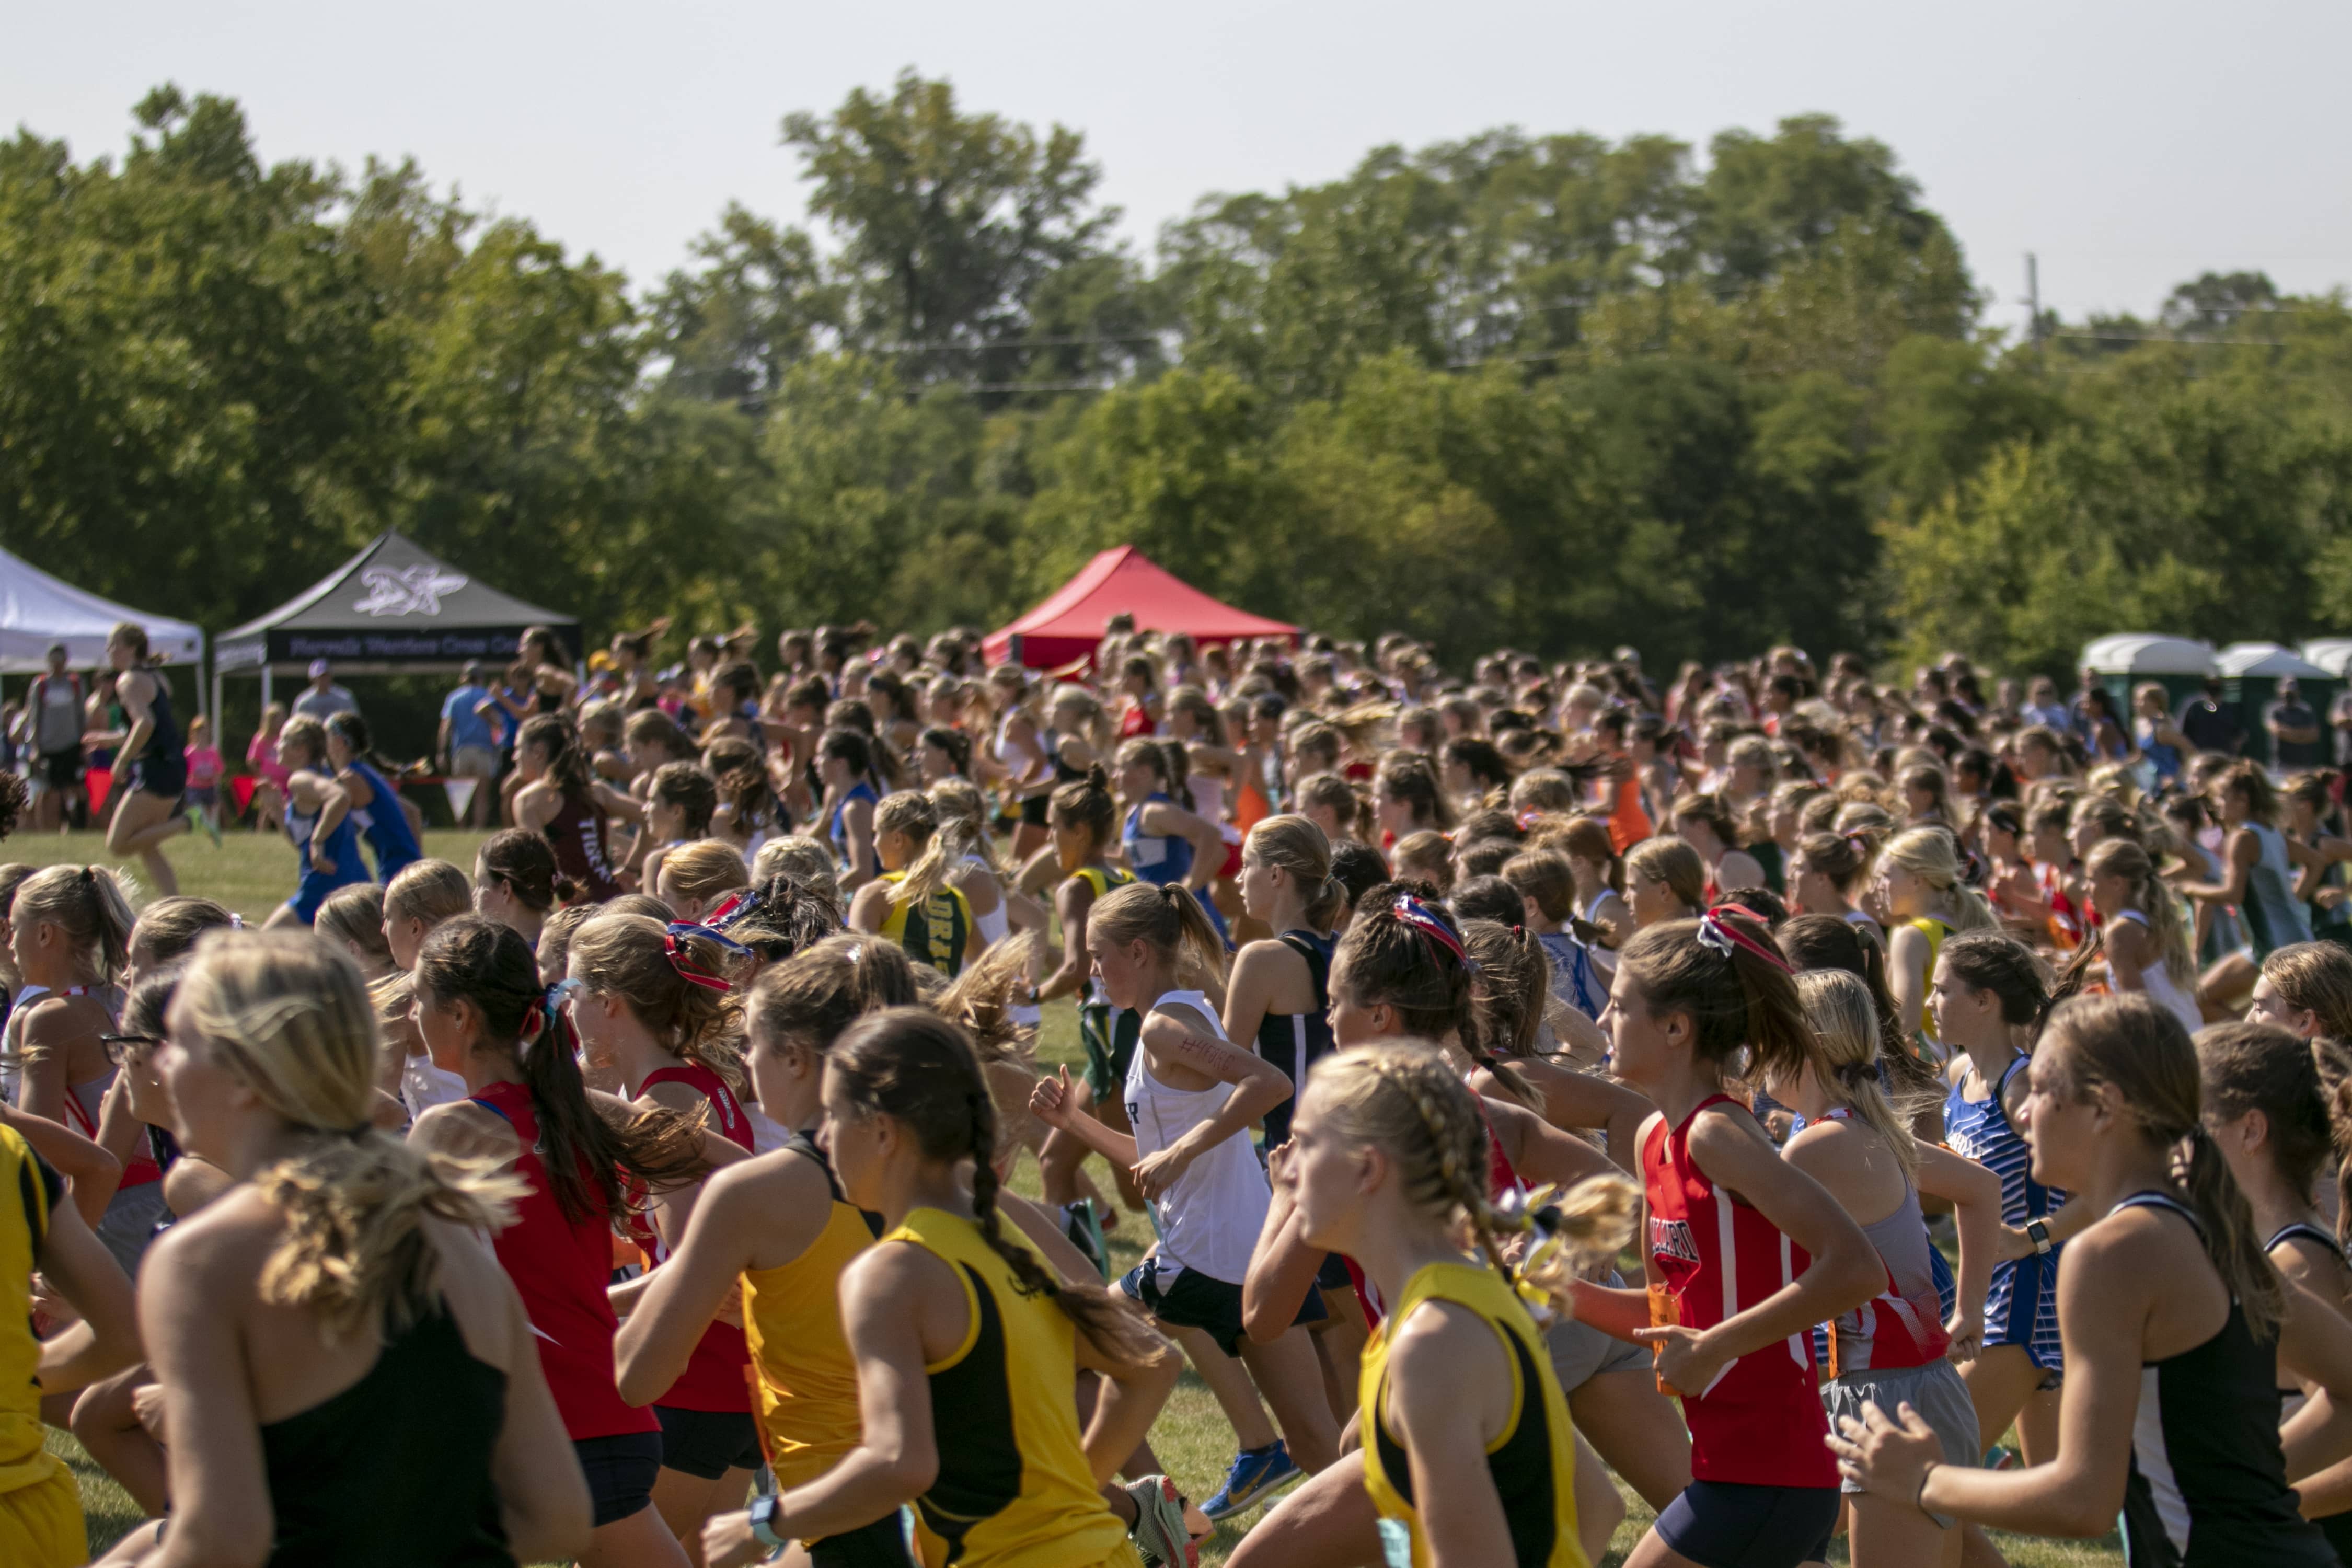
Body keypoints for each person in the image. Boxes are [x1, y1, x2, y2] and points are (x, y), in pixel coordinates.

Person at [102, 930, 589, 1568]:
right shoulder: (454, 1245)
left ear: (249, 1073)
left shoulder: (205, 1260)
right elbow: (559, 1517)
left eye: (184, 1043)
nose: (164, 1064)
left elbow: (219, 1537)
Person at [1832, 993, 2352, 1568]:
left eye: (2044, 1089)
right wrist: (2251, 1481)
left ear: (2106, 1108)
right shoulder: (2206, 1227)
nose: (2024, 1112)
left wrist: (1925, 1480)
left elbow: (2083, 1501)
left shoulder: (2114, 1253)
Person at [734, 1007, 1180, 1568]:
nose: (822, 1139)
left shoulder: (892, 1272)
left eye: (833, 1116)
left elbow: (900, 1463)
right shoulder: (1002, 1235)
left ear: (882, 1131)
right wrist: (1074, 1491)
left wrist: (763, 1522)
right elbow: (1154, 1363)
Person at [1564, 906, 1881, 1568]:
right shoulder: (1655, 1139)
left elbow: (1856, 1267)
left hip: (1774, 1471)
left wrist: (1712, 1349)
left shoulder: (1718, 1135)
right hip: (1727, 1464)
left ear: (1677, 1027)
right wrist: (1560, 1291)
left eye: (1619, 1006)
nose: (1600, 1022)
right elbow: (1667, 1320)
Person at [407, 916, 714, 1568]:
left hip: (554, 1425)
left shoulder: (449, 1133)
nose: (412, 1015)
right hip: (600, 1419)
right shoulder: (576, 1108)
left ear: (460, 1015)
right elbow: (741, 1165)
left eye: (418, 999)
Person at [1030, 880, 1340, 1519]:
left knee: (1064, 1356)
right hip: (1250, 1253)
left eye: (1098, 955)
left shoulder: (1167, 1028)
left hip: (1201, 1256)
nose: (1091, 971)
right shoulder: (1169, 1022)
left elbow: (1271, 1082)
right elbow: (1152, 1161)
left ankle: (1163, 1520)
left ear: (1139, 952)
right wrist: (1076, 1125)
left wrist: (1185, 1149)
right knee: (1316, 1442)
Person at [1276, 1041, 1636, 1568]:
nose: (1286, 1174)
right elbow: (1596, 1505)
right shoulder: (1430, 1313)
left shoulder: (1436, 1342)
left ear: (1367, 1170)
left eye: (1305, 1145)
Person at [624, 940, 919, 1568]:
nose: (745, 1066)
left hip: (838, 1506)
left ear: (794, 1058)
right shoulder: (933, 1175)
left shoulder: (757, 1197)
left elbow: (638, 1376)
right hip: (912, 1511)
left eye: (751, 1046)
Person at [1771, 969, 2000, 1568]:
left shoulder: (1816, 1146)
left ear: (1810, 1045)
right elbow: (1981, 1189)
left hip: (1887, 1398)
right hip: (1904, 1392)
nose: (1757, 1049)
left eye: (1770, 1031)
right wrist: (1968, 1309)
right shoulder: (1863, 1131)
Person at [567, 912, 764, 1558]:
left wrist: (593, 1307)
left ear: (610, 1003)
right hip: (728, 1389)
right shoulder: (696, 1083)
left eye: (571, 997)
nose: (567, 1014)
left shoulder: (664, 1107)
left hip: (692, 1387)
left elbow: (695, 1271)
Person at [2197, 1021, 2352, 1559]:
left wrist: (2244, 1501)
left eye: (2192, 1118)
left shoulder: (2300, 1265)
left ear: (2250, 1131)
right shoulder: (2266, 1252)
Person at [1931, 931, 2069, 1477]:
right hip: (1990, 1290)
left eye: (1942, 991)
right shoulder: (1960, 1074)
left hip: (2029, 1298)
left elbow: (2103, 1190)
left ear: (1985, 1001)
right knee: (2053, 1485)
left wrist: (2030, 1237)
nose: (1930, 1003)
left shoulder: (2021, 1089)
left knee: (1934, 1471)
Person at [5, 864, 152, 1270]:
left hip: (112, 1211)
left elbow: (39, 1151)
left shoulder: (51, 1018)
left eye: (14, 927)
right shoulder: (122, 996)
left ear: (45, 933)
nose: (10, 942)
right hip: (158, 1201)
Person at [2181, 762, 2316, 1016]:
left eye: (2222, 798)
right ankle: (2255, 1036)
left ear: (2243, 800)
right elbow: (2315, 861)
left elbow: (2233, 894)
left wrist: (2190, 889)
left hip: (2276, 948)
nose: (2217, 806)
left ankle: (2255, 1041)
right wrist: (2296, 898)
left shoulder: (2241, 838)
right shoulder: (2272, 832)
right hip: (2296, 938)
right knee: (2264, 1014)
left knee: (2200, 1000)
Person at [1874, 826, 1996, 1057]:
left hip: (1937, 1070)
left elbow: (1905, 1027)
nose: (1880, 886)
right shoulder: (1967, 921)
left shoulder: (1910, 936)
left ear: (1917, 881)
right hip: (1976, 1066)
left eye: (1888, 876)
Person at [2073, 837, 2205, 1034]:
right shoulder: (2148, 918)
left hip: (2171, 1049)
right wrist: (2072, 968)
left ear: (2117, 884)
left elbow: (2139, 1011)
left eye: (2092, 880)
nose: (2085, 888)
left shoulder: (2119, 933)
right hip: (2190, 1034)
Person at [847, 791, 981, 979]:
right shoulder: (958, 901)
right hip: (943, 1008)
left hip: (895, 1008)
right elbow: (988, 970)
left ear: (897, 839)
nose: (874, 843)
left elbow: (856, 966)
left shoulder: (877, 894)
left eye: (876, 833)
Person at [99, 624, 190, 896]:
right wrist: (115, 740)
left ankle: (190, 822)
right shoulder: (156, 676)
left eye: (113, 645)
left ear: (130, 648)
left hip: (156, 770)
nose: (109, 651)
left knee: (118, 845)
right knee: (147, 845)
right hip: (171, 766)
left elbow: (146, 724)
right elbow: (156, 726)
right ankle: (174, 905)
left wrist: (121, 760)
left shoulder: (128, 680)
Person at [513, 713, 638, 906]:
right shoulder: (595, 791)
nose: (515, 757)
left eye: (518, 749)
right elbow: (648, 815)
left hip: (580, 912)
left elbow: (535, 868)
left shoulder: (531, 799)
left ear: (538, 751)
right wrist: (632, 867)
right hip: (617, 901)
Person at [263, 715, 368, 929]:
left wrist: (317, 841)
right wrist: (277, 814)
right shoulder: (320, 776)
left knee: (258, 948)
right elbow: (304, 848)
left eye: (283, 739)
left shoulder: (300, 779)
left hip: (324, 888)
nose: (277, 745)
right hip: (350, 882)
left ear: (300, 748)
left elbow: (340, 797)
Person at [324, 712, 422, 884]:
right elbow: (413, 812)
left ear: (339, 742)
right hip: (404, 866)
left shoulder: (349, 779)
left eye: (327, 737)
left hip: (395, 870)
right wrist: (417, 861)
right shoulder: (366, 773)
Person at [25, 644, 85, 834]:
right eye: (54, 661)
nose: (58, 665)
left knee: (76, 787)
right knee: (48, 789)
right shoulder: (41, 685)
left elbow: (81, 715)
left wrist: (83, 743)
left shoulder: (75, 683)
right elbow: (34, 717)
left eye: (61, 660)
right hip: (48, 746)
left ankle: (77, 826)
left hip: (72, 744)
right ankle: (46, 829)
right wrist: (34, 747)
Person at [816, 729, 884, 891]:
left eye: (821, 755)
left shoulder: (857, 807)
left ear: (840, 764)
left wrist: (821, 895)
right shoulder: (846, 801)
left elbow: (863, 872)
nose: (815, 762)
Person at [441, 659, 505, 829]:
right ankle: (478, 829)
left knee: (460, 795)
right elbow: (498, 724)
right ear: (481, 678)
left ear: (464, 677)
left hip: (461, 751)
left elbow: (446, 726)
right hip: (483, 750)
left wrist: (441, 752)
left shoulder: (454, 698)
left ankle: (461, 829)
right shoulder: (487, 697)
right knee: (481, 795)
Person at [475, 828, 559, 950]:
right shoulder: (564, 954)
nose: (474, 894)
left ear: (506, 890)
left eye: (480, 885)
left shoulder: (496, 962)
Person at [244, 702, 291, 836]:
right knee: (266, 809)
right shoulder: (261, 739)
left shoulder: (285, 738)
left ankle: (287, 832)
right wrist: (262, 775)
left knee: (285, 807)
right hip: (268, 782)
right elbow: (252, 761)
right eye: (278, 719)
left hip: (286, 781)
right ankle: (261, 834)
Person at [181, 716, 224, 841]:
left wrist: (213, 778)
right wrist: (199, 778)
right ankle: (199, 833)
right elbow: (187, 771)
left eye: (205, 731)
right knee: (200, 811)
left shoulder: (213, 752)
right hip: (194, 787)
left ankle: (210, 835)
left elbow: (219, 769)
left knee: (211, 813)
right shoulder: (190, 752)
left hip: (210, 786)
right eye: (200, 731)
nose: (203, 734)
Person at [2271, 677, 2328, 770]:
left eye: (2292, 692)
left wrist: (2289, 733)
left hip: (2303, 764)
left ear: (2298, 692)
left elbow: (2314, 735)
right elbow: (2278, 731)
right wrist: (2303, 735)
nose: (2289, 696)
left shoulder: (2307, 710)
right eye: (2287, 693)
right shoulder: (2274, 709)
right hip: (2281, 764)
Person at [2177, 676, 2242, 757]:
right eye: (2210, 688)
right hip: (2201, 757)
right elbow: (2183, 734)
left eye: (2216, 689)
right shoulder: (2195, 708)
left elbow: (2240, 734)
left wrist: (2232, 753)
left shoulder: (2228, 710)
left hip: (2223, 757)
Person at [290, 658, 358, 724]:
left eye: (325, 676)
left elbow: (355, 721)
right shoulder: (304, 702)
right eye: (319, 677)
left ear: (331, 676)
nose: (322, 680)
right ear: (312, 679)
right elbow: (295, 725)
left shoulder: (344, 698)